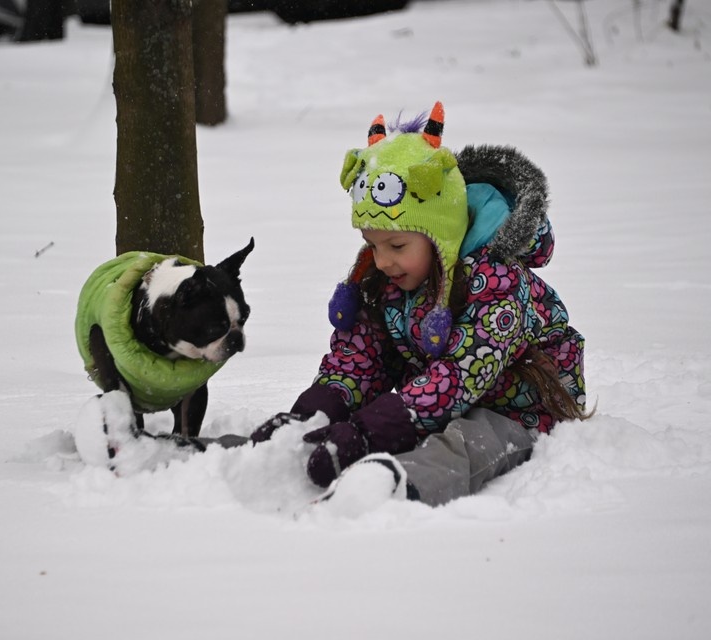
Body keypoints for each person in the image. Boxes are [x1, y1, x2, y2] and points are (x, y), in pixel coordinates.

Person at [250, 101, 588, 506]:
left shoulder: (497, 284)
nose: (382, 260)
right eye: (372, 245)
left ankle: (397, 481)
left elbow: (463, 374)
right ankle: (299, 448)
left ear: (439, 233)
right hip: (436, 398)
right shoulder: (388, 279)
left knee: (469, 439)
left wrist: (378, 426)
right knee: (389, 417)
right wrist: (320, 409)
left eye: (396, 245)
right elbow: (361, 358)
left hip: (520, 407)